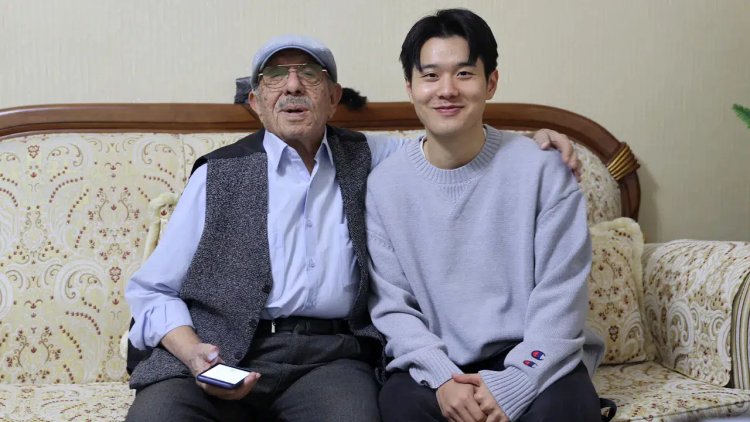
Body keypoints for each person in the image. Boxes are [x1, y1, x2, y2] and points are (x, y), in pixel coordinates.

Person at [125, 34, 582, 421]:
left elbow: (450, 137)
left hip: (329, 359)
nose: (292, 86)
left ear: (333, 97)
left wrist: (535, 144)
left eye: (310, 74)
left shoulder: (372, 157)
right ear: (256, 101)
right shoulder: (218, 175)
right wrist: (193, 353)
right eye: (275, 76)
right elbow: (152, 290)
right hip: (222, 350)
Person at [366, 9, 605, 422]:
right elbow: (393, 306)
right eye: (430, 76)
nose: (446, 90)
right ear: (410, 87)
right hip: (441, 359)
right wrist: (442, 376)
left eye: (464, 74)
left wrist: (518, 381)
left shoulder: (543, 170)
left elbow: (562, 293)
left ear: (491, 82)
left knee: (564, 410)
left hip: (534, 354)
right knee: (399, 406)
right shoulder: (384, 184)